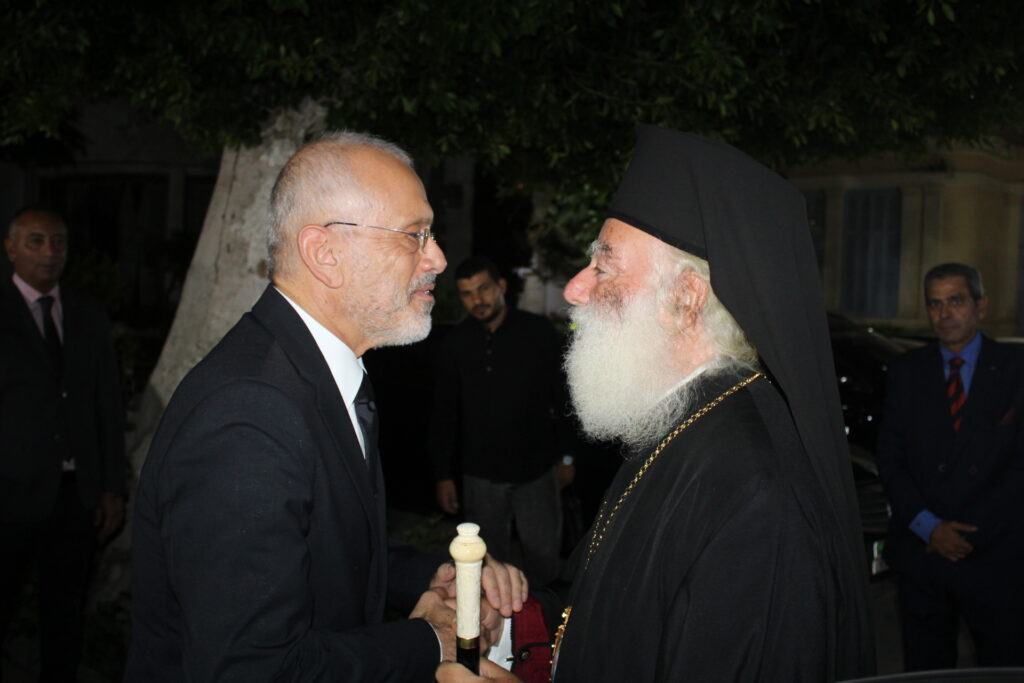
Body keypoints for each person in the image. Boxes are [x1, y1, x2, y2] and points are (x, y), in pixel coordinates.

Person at [440, 125, 875, 682]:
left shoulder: (758, 497)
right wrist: (512, 623)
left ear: (685, 298)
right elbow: (606, 602)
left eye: (603, 267)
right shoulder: (678, 422)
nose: (575, 289)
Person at [126, 132, 526, 682]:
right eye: (414, 235)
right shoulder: (247, 416)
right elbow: (254, 669)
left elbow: (327, 552)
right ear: (324, 254)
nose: (436, 257)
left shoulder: (312, 372)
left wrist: (435, 575)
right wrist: (429, 642)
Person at [877, 262, 1024, 670]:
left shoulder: (1016, 369)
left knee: (1001, 667)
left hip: (996, 556)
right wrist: (930, 527)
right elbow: (890, 458)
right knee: (926, 670)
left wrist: (971, 533)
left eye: (956, 301)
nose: (944, 314)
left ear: (981, 306)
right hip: (923, 555)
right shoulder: (906, 371)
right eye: (935, 304)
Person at [1, 208, 127, 682]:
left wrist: (111, 486)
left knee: (66, 613)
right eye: (36, 241)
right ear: (11, 248)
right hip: (9, 492)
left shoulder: (87, 313)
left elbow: (106, 404)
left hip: (76, 493)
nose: (49, 252)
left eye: (58, 242)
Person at [430, 256, 573, 585]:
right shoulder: (456, 343)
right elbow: (444, 412)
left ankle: (548, 617)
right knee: (487, 566)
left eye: (483, 289)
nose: (477, 300)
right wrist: (443, 475)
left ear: (501, 287)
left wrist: (567, 457)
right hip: (480, 477)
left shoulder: (538, 333)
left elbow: (563, 398)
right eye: (467, 293)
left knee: (544, 562)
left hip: (535, 472)